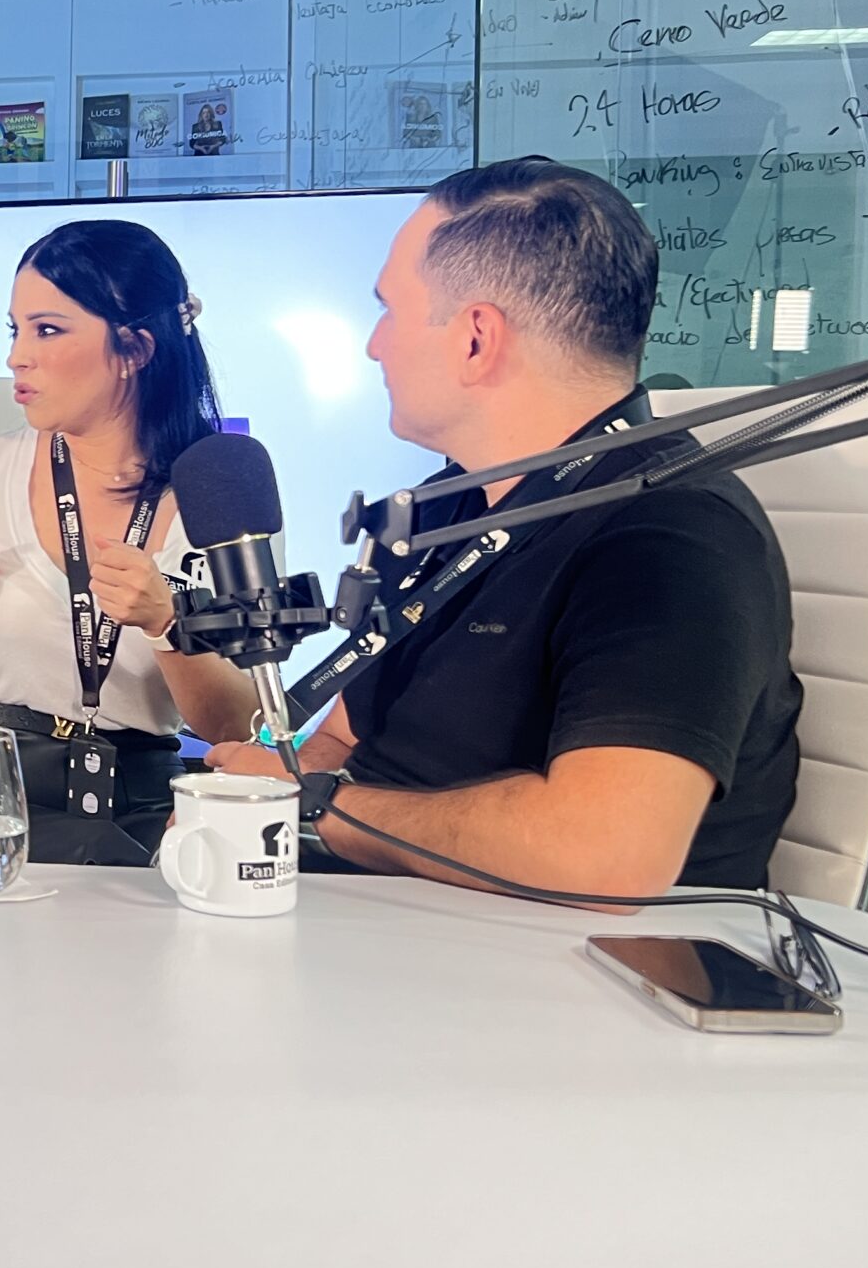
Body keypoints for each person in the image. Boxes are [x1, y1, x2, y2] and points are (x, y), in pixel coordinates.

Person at [205, 157, 802, 897]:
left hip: (562, 953)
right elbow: (342, 740)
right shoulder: (431, 511)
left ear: (475, 338)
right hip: (379, 913)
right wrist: (259, 795)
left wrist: (316, 807)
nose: (374, 345)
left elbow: (603, 856)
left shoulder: (674, 535)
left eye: (390, 311)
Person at [0, 221, 262, 865]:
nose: (17, 356)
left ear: (135, 348)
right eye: (14, 330)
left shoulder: (219, 489)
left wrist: (166, 624)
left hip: (139, 805)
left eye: (47, 330)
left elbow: (239, 726)